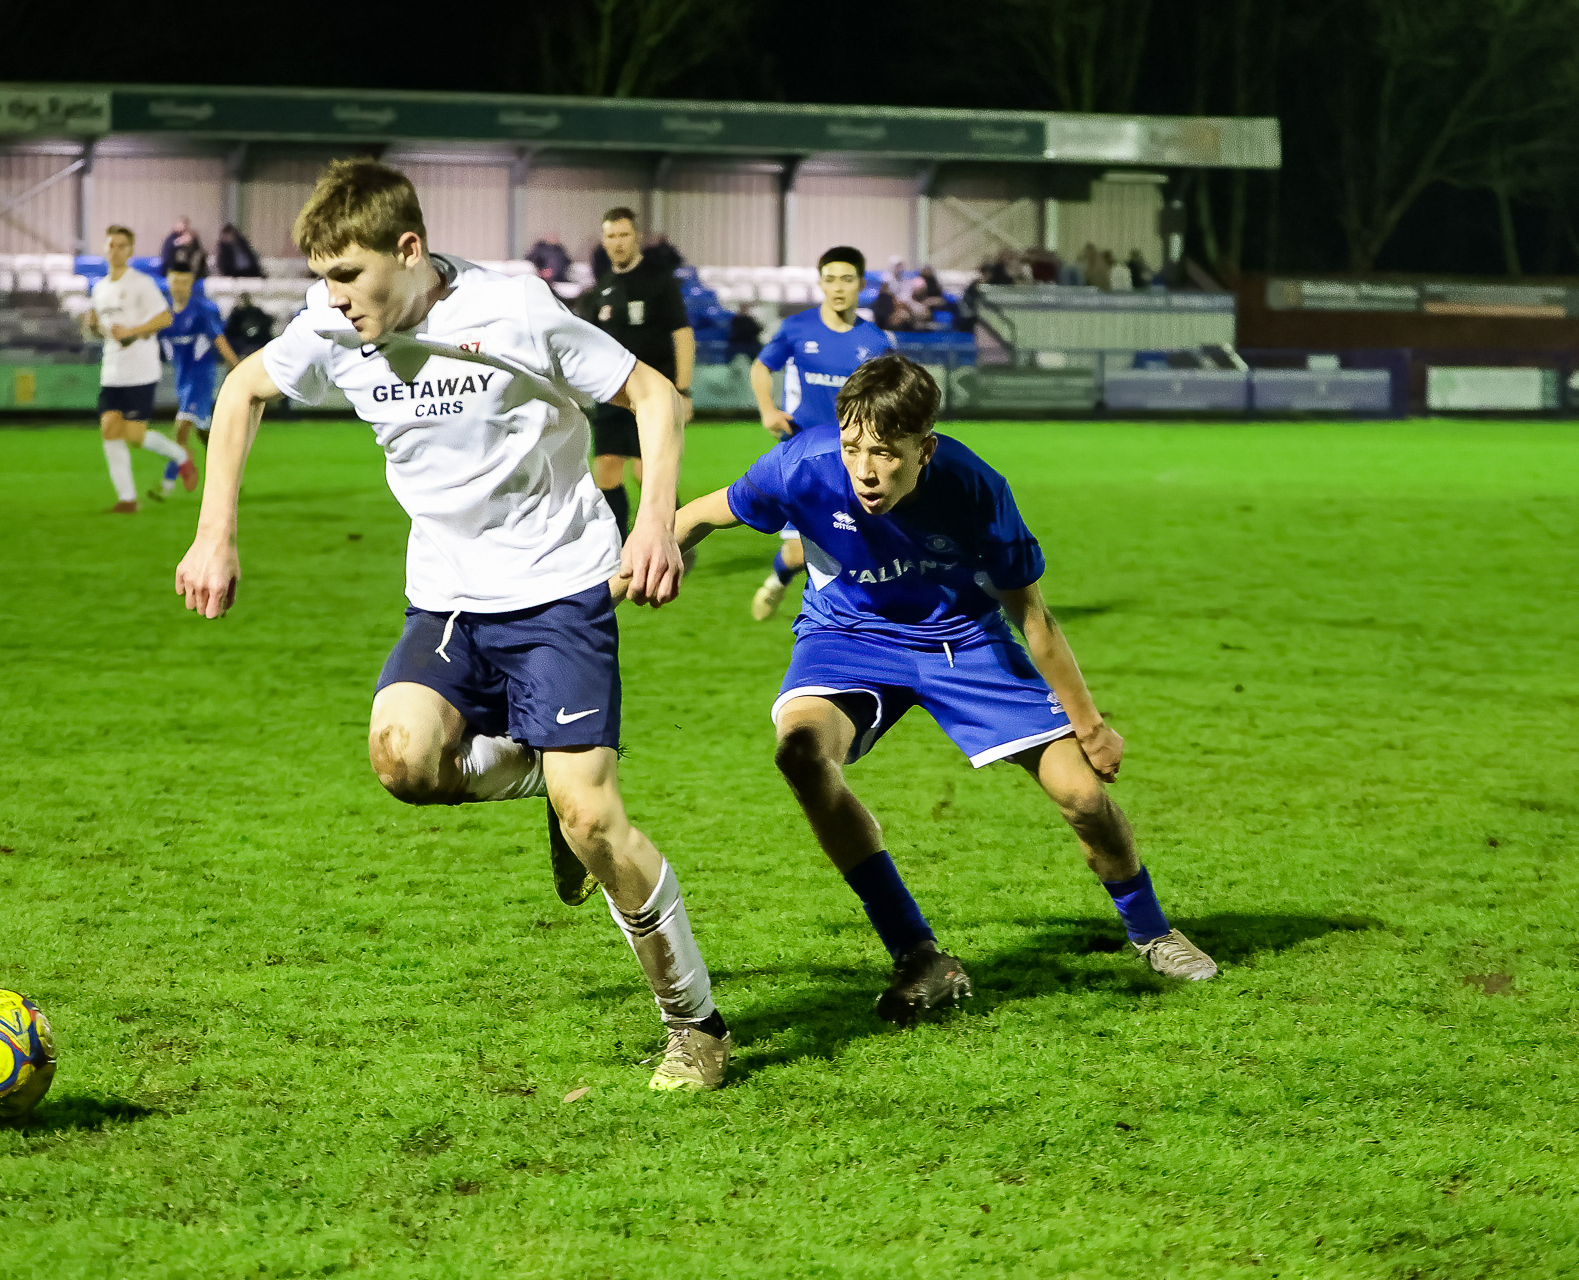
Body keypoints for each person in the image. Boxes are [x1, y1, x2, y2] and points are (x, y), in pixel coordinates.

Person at [173, 158, 731, 1092]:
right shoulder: (330, 326)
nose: (333, 296)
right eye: (321, 277)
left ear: (409, 249)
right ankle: (547, 780)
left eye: (348, 274)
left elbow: (653, 396)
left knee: (594, 821)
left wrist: (653, 522)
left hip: (557, 588)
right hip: (448, 600)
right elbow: (241, 392)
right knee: (404, 761)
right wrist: (213, 533)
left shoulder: (513, 310)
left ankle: (696, 1028)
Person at [673, 353, 1219, 1023]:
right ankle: (916, 952)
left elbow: (1034, 616)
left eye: (885, 453)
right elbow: (698, 514)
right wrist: (640, 562)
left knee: (1082, 798)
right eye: (852, 447)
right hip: (846, 638)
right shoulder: (800, 464)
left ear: (923, 450)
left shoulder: (974, 486)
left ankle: (1152, 932)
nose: (865, 470)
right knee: (801, 756)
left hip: (964, 641)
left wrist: (1091, 724)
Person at [747, 245, 890, 622]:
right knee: (797, 553)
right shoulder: (798, 328)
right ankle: (777, 581)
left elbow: (889, 395)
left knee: (859, 547)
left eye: (846, 279)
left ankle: (849, 621)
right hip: (803, 454)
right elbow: (761, 367)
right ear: (821, 284)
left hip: (856, 458)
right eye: (830, 280)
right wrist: (768, 411)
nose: (838, 287)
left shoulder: (876, 342)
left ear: (861, 284)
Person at [577, 206, 693, 535]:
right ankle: (619, 547)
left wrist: (683, 391)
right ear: (603, 241)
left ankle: (679, 537)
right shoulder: (602, 287)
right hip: (612, 395)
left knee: (648, 474)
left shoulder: (660, 281)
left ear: (637, 237)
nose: (617, 242)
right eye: (611, 236)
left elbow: (683, 335)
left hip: (652, 395)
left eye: (624, 235)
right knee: (606, 471)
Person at [83, 225, 193, 513]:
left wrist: (133, 331)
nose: (115, 250)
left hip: (140, 370)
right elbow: (104, 332)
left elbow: (165, 318)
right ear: (105, 248)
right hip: (112, 370)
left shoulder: (141, 283)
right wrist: (93, 327)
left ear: (130, 250)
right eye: (111, 245)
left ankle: (180, 456)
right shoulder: (99, 288)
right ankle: (127, 499)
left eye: (122, 245)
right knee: (109, 429)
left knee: (132, 435)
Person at [150, 266, 239, 500]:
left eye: (184, 282)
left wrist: (236, 366)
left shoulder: (202, 311)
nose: (179, 286)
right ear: (168, 283)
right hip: (183, 380)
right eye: (175, 281)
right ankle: (229, 479)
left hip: (200, 379)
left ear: (191, 285)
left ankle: (166, 487)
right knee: (205, 434)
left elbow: (218, 338)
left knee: (181, 429)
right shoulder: (164, 315)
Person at [223, 293, 276, 359]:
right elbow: (230, 333)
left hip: (257, 346)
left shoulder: (257, 312)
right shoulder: (236, 316)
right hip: (246, 348)